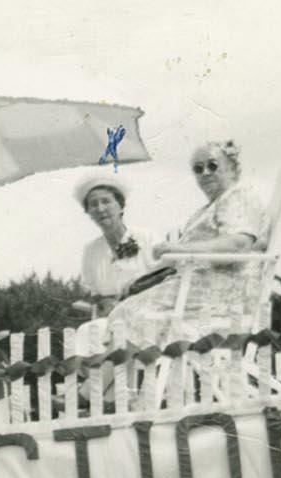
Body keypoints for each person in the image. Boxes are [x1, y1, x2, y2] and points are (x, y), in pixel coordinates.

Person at [93, 140, 268, 349]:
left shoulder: (240, 196)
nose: (205, 173)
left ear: (232, 168)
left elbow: (239, 243)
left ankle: (120, 380)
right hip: (196, 289)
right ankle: (124, 380)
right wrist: (139, 278)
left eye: (213, 165)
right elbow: (179, 259)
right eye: (198, 168)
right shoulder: (207, 209)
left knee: (128, 315)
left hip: (222, 293)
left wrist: (179, 249)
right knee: (123, 313)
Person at [73, 174, 155, 305]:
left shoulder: (146, 237)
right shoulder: (91, 250)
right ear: (89, 213)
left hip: (147, 309)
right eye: (93, 204)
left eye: (106, 201)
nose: (100, 209)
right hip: (109, 316)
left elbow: (165, 277)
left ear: (121, 206)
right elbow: (92, 291)